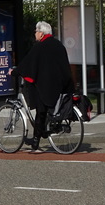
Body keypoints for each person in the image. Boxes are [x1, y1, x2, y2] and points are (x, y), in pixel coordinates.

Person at [10, 21, 74, 152]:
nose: (35, 33)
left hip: (45, 86)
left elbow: (27, 63)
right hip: (60, 85)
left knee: (40, 111)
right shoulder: (58, 45)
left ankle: (35, 141)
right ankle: (42, 133)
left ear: (41, 33)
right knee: (46, 111)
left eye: (36, 31)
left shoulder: (39, 47)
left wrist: (14, 72)